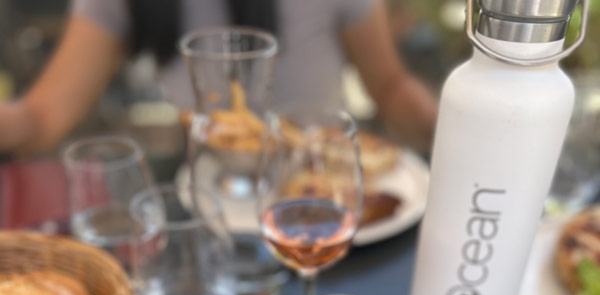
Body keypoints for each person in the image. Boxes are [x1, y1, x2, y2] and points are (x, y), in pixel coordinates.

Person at [0, 0, 438, 156]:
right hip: (208, 195)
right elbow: (41, 117)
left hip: (320, 183)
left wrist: (448, 125)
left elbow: (390, 86)